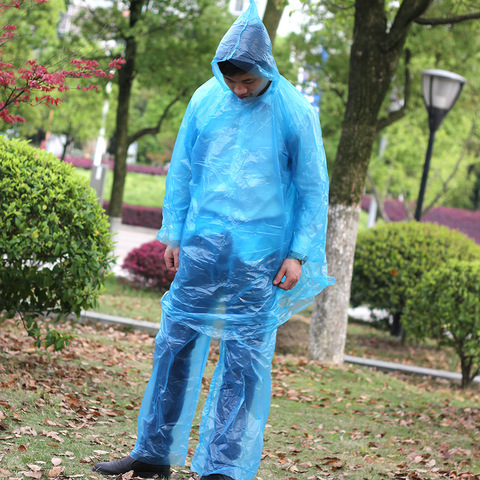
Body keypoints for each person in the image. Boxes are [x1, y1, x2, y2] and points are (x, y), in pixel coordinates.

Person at [92, 1, 334, 479]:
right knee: (174, 343)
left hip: (261, 257)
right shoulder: (206, 99)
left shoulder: (294, 110)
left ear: (266, 69)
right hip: (203, 246)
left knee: (244, 361)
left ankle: (222, 467)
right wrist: (175, 232)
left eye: (248, 81)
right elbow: (182, 170)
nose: (239, 90)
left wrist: (298, 253)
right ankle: (152, 453)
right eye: (233, 81)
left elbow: (312, 188)